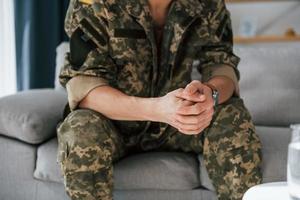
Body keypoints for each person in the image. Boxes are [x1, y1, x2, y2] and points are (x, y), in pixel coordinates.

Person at [56, 0, 262, 199]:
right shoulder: (94, 3)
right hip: (114, 123)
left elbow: (223, 66)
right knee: (81, 128)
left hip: (182, 124)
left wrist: (211, 94)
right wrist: (157, 109)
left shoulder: (209, 3)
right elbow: (83, 88)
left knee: (232, 115)